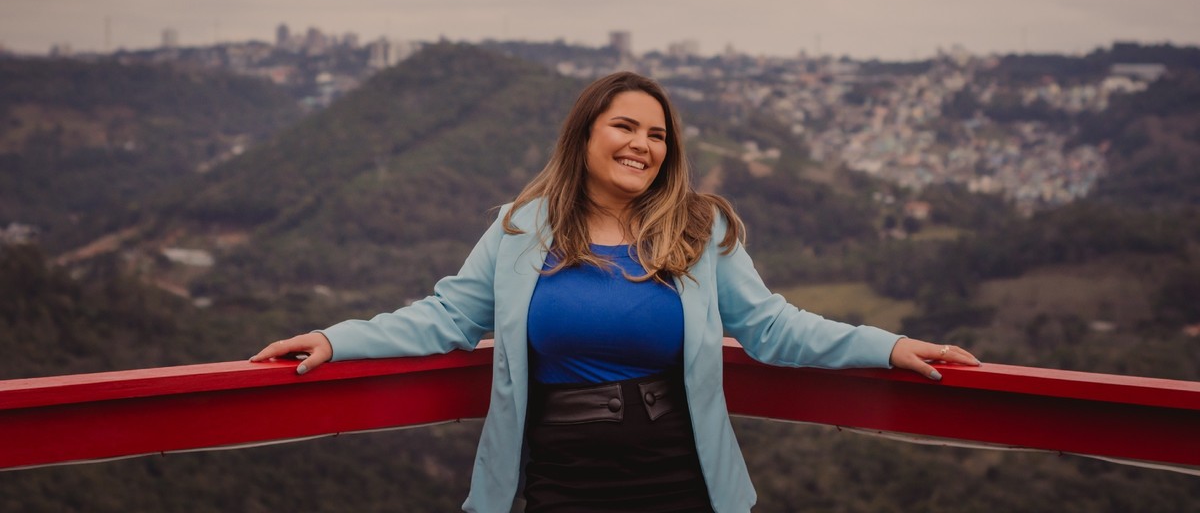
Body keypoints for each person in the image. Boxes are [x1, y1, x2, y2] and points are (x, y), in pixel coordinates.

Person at [252, 71, 980, 512]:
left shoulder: (699, 231)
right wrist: (335, 339)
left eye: (657, 134)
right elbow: (446, 317)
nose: (642, 144)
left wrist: (888, 346)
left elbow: (773, 327)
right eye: (624, 126)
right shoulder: (520, 229)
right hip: (564, 473)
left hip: (677, 472)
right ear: (585, 136)